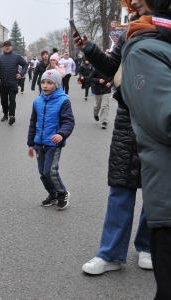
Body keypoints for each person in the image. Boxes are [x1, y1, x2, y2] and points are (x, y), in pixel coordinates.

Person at [74, 0, 154, 277]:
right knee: (121, 184)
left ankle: (148, 246)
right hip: (128, 116)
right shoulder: (129, 31)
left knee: (157, 187)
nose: (137, 2)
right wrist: (89, 48)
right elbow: (111, 67)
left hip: (161, 115)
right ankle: (110, 254)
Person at [118, 0, 171, 297]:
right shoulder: (145, 48)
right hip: (168, 202)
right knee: (120, 194)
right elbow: (166, 120)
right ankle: (114, 252)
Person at [27, 69, 75, 210]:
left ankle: (62, 192)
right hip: (38, 144)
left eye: (49, 83)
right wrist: (30, 144)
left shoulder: (63, 101)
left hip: (54, 143)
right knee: (42, 173)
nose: (45, 86)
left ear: (57, 84)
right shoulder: (37, 102)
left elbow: (69, 122)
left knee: (50, 171)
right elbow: (33, 123)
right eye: (43, 82)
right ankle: (52, 194)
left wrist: (61, 134)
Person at [0, 40, 28, 125]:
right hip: (3, 83)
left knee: (12, 100)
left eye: (9, 46)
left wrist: (21, 74)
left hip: (13, 83)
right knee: (4, 100)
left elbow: (25, 65)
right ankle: (5, 114)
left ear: (11, 47)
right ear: (3, 48)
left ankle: (12, 115)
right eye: (5, 46)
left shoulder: (16, 57)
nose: (7, 47)